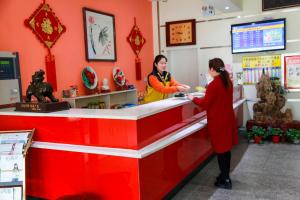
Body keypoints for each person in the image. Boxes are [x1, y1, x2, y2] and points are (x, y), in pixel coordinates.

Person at [187, 58, 238, 189]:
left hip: (218, 122)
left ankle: (225, 180)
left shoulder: (214, 85)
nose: (208, 71)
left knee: (221, 151)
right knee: (226, 150)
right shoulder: (227, 82)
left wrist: (193, 98)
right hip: (227, 120)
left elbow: (205, 104)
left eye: (209, 69)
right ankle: (224, 175)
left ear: (212, 69)